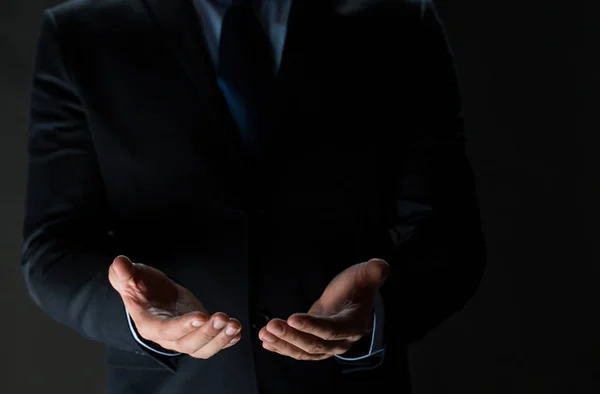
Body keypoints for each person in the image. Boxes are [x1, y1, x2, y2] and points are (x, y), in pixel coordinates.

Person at [21, 0, 486, 393]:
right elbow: (53, 246)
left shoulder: (399, 24)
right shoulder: (82, 33)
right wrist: (134, 316)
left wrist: (375, 316)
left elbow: (448, 236)